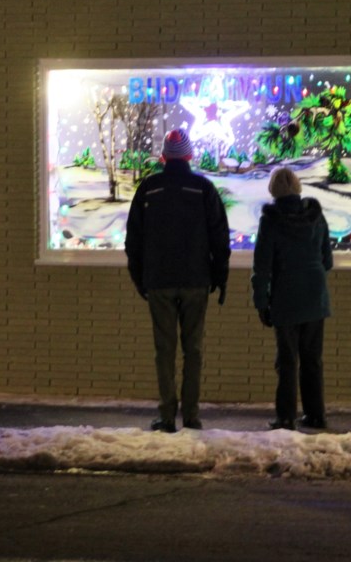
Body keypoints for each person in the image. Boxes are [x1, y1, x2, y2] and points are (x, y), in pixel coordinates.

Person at [125, 128, 231, 433]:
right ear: (189, 156)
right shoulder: (204, 188)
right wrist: (219, 276)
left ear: (163, 157)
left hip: (159, 280)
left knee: (165, 349)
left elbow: (134, 239)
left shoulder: (149, 189)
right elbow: (219, 237)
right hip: (196, 279)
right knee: (193, 349)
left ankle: (167, 415)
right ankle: (193, 414)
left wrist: (139, 277)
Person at [251, 166, 333, 430]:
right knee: (312, 359)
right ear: (298, 187)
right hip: (315, 296)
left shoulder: (271, 220)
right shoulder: (315, 216)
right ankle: (316, 414)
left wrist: (261, 303)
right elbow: (326, 259)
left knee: (287, 360)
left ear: (273, 190)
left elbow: (262, 266)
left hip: (286, 297)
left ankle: (286, 416)